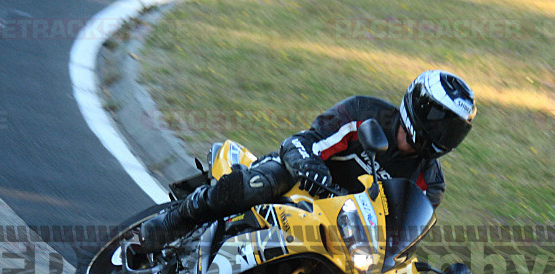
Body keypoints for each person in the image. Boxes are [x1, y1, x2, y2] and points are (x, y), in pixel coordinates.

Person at [140, 70, 476, 251]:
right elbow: (306, 141)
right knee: (263, 181)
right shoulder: (365, 113)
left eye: (453, 131)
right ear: (418, 106)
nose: (443, 136)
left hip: (342, 229)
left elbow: (402, 232)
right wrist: (309, 167)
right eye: (440, 122)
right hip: (302, 184)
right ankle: (179, 219)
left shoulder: (430, 182)